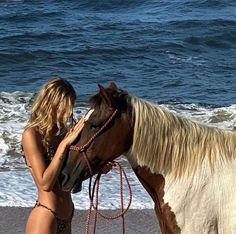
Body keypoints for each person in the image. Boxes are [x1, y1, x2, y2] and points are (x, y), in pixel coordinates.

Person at [21, 77, 85, 234]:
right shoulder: (31, 135)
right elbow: (45, 183)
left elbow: (68, 178)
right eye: (66, 107)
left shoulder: (62, 134)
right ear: (51, 104)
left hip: (67, 216)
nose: (69, 112)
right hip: (46, 215)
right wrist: (64, 145)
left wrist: (98, 169)